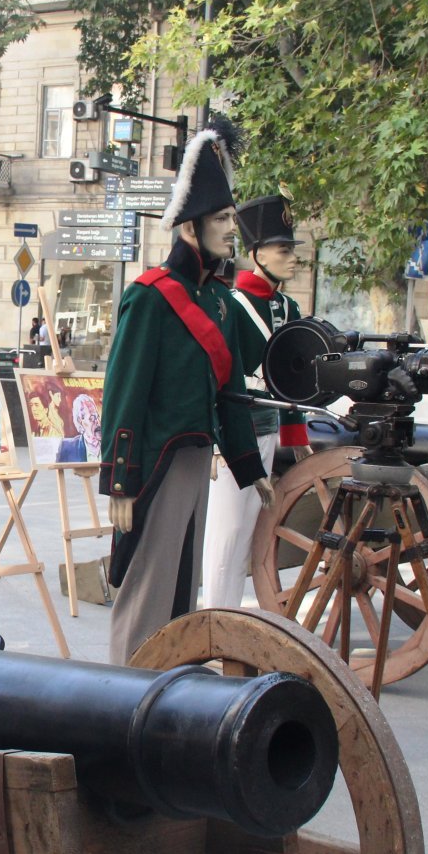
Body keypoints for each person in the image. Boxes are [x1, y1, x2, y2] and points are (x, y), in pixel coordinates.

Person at [100, 124, 267, 665]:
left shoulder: (217, 299)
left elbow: (232, 388)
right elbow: (123, 392)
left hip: (196, 458)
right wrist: (120, 480)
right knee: (148, 587)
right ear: (190, 228)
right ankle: (125, 689)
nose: (230, 228)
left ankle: (170, 685)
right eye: (220, 219)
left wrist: (249, 466)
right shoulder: (149, 297)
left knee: (182, 584)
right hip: (156, 460)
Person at [201, 193, 314, 608]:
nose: (291, 258)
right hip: (234, 434)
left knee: (248, 534)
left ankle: (228, 620)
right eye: (282, 249)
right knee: (225, 537)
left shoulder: (288, 306)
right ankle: (215, 622)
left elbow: (291, 381)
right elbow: (214, 378)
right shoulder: (229, 305)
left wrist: (297, 436)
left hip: (267, 431)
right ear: (255, 253)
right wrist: (215, 442)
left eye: (290, 249)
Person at [56, 393, 101, 464]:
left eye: (97, 417)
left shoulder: (110, 445)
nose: (98, 422)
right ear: (80, 421)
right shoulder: (68, 448)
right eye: (92, 418)